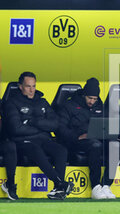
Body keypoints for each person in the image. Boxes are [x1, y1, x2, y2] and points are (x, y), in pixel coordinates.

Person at [3, 72, 74, 200]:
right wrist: (41, 128)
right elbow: (16, 129)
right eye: (28, 86)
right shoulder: (11, 103)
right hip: (22, 141)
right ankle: (61, 183)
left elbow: (55, 124)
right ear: (20, 86)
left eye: (34, 86)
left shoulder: (42, 101)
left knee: (61, 150)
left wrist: (34, 123)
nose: (32, 90)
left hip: (42, 139)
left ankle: (57, 189)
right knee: (36, 149)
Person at [57, 78, 116, 199]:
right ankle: (95, 187)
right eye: (90, 98)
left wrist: (107, 133)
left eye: (95, 99)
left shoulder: (100, 105)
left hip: (97, 138)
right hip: (75, 141)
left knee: (114, 146)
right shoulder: (69, 105)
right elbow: (60, 129)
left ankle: (106, 185)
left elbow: (106, 125)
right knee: (95, 145)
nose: (92, 101)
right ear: (84, 94)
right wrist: (77, 136)